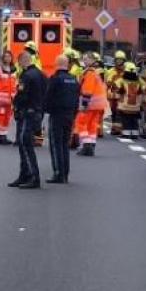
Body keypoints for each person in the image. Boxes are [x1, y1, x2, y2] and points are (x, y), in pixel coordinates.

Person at [10, 48, 47, 189]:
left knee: (25, 145)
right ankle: (24, 175)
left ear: (21, 61)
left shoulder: (26, 75)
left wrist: (16, 106)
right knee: (24, 143)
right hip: (37, 112)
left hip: (27, 113)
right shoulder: (41, 74)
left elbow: (22, 94)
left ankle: (33, 177)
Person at [46, 52, 81, 184]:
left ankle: (58, 173)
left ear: (57, 64)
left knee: (56, 144)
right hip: (70, 115)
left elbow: (48, 97)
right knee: (65, 145)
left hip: (57, 115)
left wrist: (47, 110)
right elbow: (77, 98)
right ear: (67, 65)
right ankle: (65, 173)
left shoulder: (55, 79)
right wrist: (74, 113)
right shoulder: (73, 79)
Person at [77, 53, 107, 156]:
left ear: (92, 60)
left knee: (81, 123)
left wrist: (84, 104)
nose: (84, 61)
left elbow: (88, 90)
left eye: (86, 59)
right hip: (99, 104)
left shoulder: (89, 73)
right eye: (83, 59)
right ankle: (91, 144)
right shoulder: (96, 72)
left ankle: (86, 146)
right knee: (92, 124)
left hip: (91, 103)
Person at [0, 54, 17, 144]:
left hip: (11, 99)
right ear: (3, 58)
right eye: (6, 57)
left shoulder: (14, 70)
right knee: (0, 117)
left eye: (9, 57)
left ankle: (4, 135)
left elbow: (15, 83)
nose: (8, 58)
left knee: (7, 117)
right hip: (1, 98)